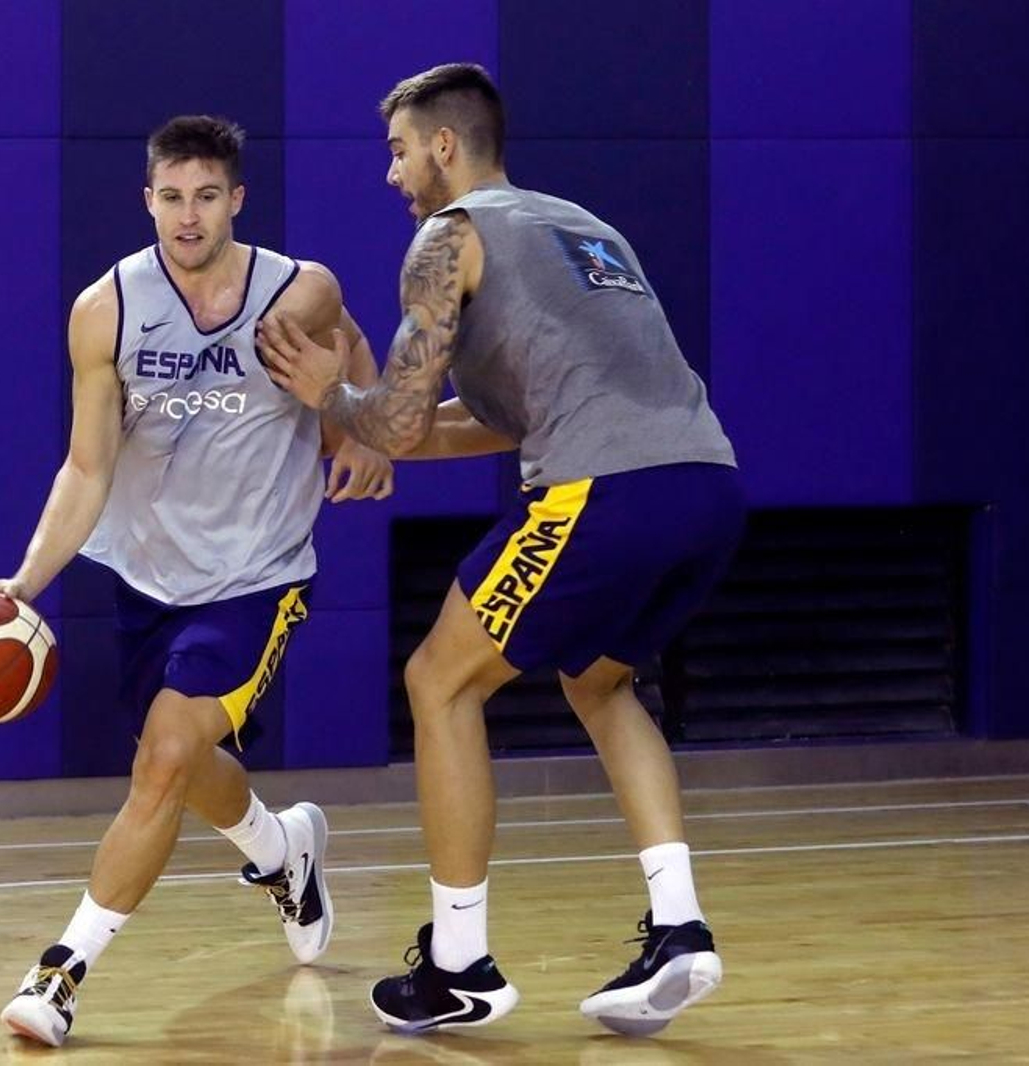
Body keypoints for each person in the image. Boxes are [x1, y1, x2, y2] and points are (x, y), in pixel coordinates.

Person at [258, 63, 744, 1037]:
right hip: (706, 488)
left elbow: (392, 414)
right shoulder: (581, 227)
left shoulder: (448, 238)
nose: (391, 174)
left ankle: (457, 960)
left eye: (399, 150)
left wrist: (332, 398)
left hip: (604, 492)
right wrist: (373, 427)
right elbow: (487, 420)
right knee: (599, 684)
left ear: (444, 145)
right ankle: (680, 925)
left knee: (440, 679)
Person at [0, 115, 393, 1048]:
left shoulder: (297, 290)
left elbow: (346, 341)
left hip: (258, 573)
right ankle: (283, 849)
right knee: (179, 768)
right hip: (146, 575)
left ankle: (59, 975)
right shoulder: (105, 309)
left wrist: (361, 434)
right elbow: (87, 468)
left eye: (207, 196)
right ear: (148, 200)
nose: (188, 217)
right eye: (172, 197)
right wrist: (25, 582)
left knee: (164, 756)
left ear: (237, 200)